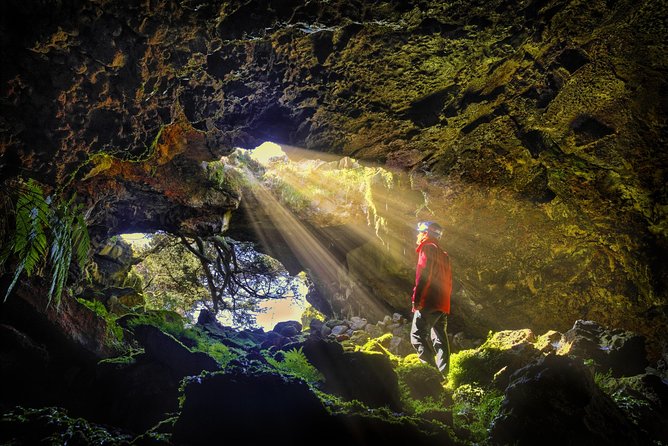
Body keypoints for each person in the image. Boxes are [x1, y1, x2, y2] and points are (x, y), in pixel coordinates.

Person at [410, 221, 452, 376]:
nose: (417, 235)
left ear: (425, 233)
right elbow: (448, 282)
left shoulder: (427, 248)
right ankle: (444, 373)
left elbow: (424, 275)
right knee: (439, 337)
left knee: (417, 336)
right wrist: (446, 305)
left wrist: (417, 300)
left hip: (429, 302)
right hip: (442, 304)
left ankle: (432, 375)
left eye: (419, 231)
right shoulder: (444, 254)